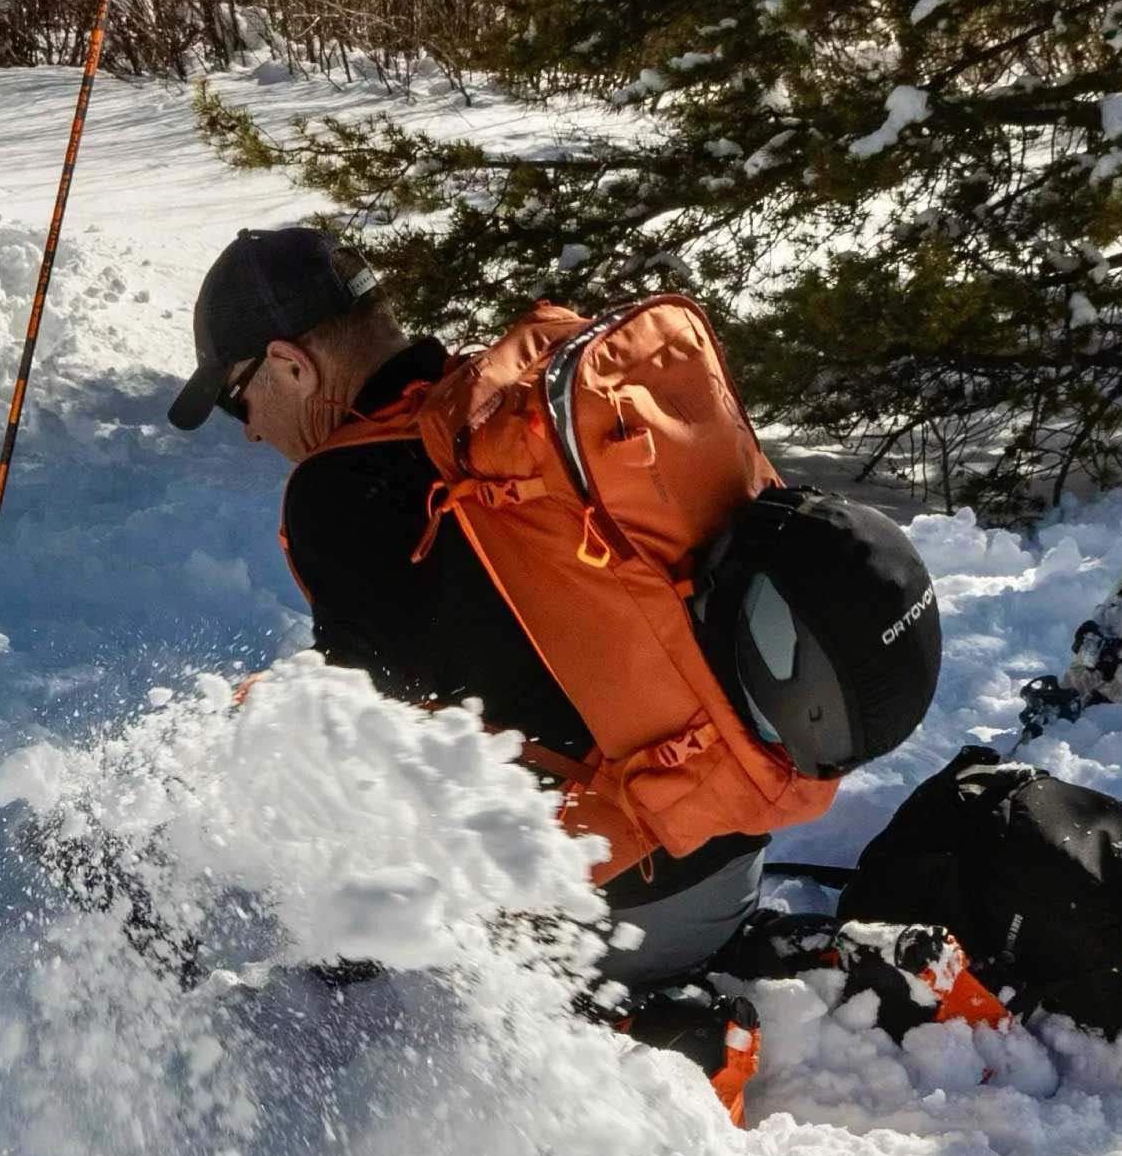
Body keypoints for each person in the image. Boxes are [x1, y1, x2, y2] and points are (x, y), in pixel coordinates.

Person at [165, 229, 943, 1088]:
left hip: (613, 919)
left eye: (241, 400)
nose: (248, 434)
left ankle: (657, 1038)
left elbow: (358, 759)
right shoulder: (501, 421)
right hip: (728, 843)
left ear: (292, 364)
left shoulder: (345, 491)